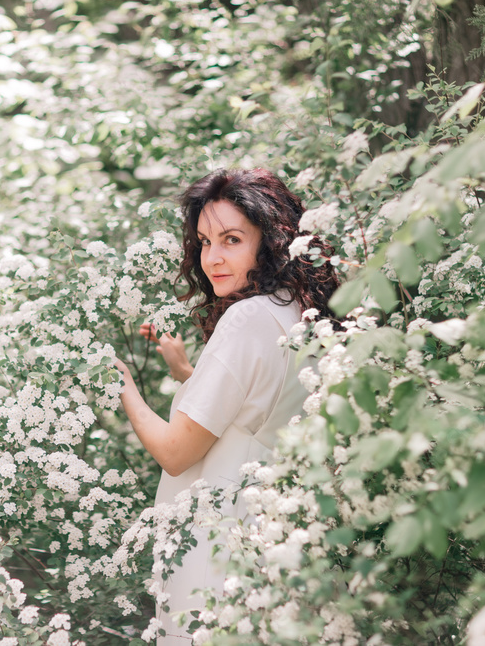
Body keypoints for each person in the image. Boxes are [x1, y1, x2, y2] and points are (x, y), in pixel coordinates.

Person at [113, 168, 340, 643]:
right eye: (203, 242)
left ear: (271, 240)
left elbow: (177, 453)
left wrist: (122, 387)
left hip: (221, 541)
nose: (212, 258)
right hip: (281, 536)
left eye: (231, 239)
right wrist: (187, 374)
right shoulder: (300, 309)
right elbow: (255, 414)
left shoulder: (244, 320)